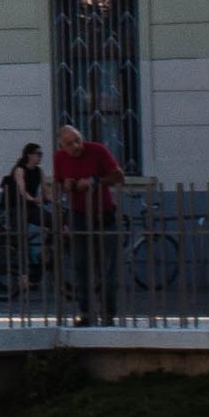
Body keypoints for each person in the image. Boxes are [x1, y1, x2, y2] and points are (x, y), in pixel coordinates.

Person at [52, 118, 125, 322]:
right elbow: (56, 184)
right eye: (69, 144)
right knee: (80, 264)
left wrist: (94, 181)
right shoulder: (59, 158)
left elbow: (119, 176)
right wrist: (65, 184)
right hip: (78, 214)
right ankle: (85, 312)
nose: (76, 146)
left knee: (106, 267)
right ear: (61, 146)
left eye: (77, 140)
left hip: (103, 213)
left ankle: (108, 313)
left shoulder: (97, 150)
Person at [1, 141, 49, 295]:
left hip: (31, 206)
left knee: (53, 222)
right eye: (38, 154)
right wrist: (32, 198)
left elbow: (45, 189)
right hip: (18, 207)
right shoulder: (20, 170)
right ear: (29, 155)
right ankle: (23, 277)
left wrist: (52, 199)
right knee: (21, 239)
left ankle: (44, 258)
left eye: (41, 154)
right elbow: (22, 189)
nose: (40, 157)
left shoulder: (39, 171)